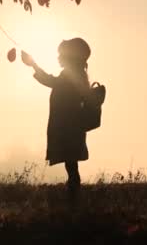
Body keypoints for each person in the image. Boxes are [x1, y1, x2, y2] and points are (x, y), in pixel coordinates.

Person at [21, 38, 91, 201]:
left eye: (61, 53)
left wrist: (33, 64)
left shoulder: (71, 75)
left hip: (69, 126)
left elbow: (51, 82)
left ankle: (73, 196)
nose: (58, 56)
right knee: (71, 162)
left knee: (71, 162)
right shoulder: (78, 73)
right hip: (72, 125)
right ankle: (73, 194)